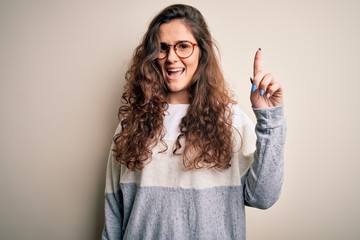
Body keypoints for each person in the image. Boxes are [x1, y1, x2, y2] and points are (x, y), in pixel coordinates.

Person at [102, 4, 286, 240]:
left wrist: (270, 119)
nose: (171, 58)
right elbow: (113, 217)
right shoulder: (132, 126)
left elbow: (262, 197)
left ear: (202, 52)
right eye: (162, 48)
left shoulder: (232, 122)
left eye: (183, 47)